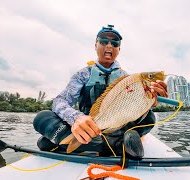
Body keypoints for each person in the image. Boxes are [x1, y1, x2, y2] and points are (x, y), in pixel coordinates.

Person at [33, 24, 168, 159]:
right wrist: (76, 118)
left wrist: (149, 100)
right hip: (89, 130)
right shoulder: (83, 74)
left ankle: (67, 142)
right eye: (103, 41)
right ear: (96, 45)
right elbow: (59, 101)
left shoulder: (128, 78)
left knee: (150, 117)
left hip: (118, 129)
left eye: (114, 43)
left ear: (119, 49)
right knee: (42, 118)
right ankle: (118, 146)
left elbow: (135, 110)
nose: (109, 45)